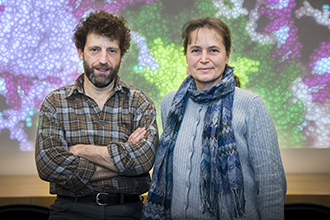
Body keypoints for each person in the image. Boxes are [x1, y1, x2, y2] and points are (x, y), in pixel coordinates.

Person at [141, 17, 286, 220]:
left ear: (226, 56)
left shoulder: (250, 104)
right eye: (196, 50)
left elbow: (271, 184)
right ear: (186, 56)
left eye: (213, 50)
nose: (204, 58)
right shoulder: (170, 104)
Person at [35, 11, 158, 220]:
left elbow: (144, 159)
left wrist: (81, 150)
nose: (103, 59)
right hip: (70, 211)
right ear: (80, 52)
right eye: (95, 49)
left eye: (112, 50)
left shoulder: (140, 102)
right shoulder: (55, 102)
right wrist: (123, 164)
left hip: (128, 212)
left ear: (121, 55)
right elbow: (49, 164)